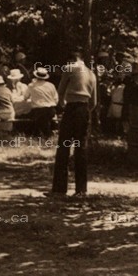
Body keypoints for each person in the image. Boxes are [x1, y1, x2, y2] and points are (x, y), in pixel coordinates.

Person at [53, 49, 97, 198]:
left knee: (63, 148)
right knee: (81, 149)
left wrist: (64, 106)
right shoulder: (92, 74)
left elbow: (60, 92)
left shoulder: (69, 68)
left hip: (71, 108)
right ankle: (81, 190)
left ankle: (59, 189)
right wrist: (85, 111)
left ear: (71, 60)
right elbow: (94, 102)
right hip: (84, 110)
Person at [21, 66, 59, 137]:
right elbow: (56, 99)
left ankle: (36, 134)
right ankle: (46, 134)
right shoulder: (51, 85)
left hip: (38, 110)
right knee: (45, 121)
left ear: (36, 76)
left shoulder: (31, 86)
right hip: (51, 110)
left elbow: (25, 97)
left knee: (24, 115)